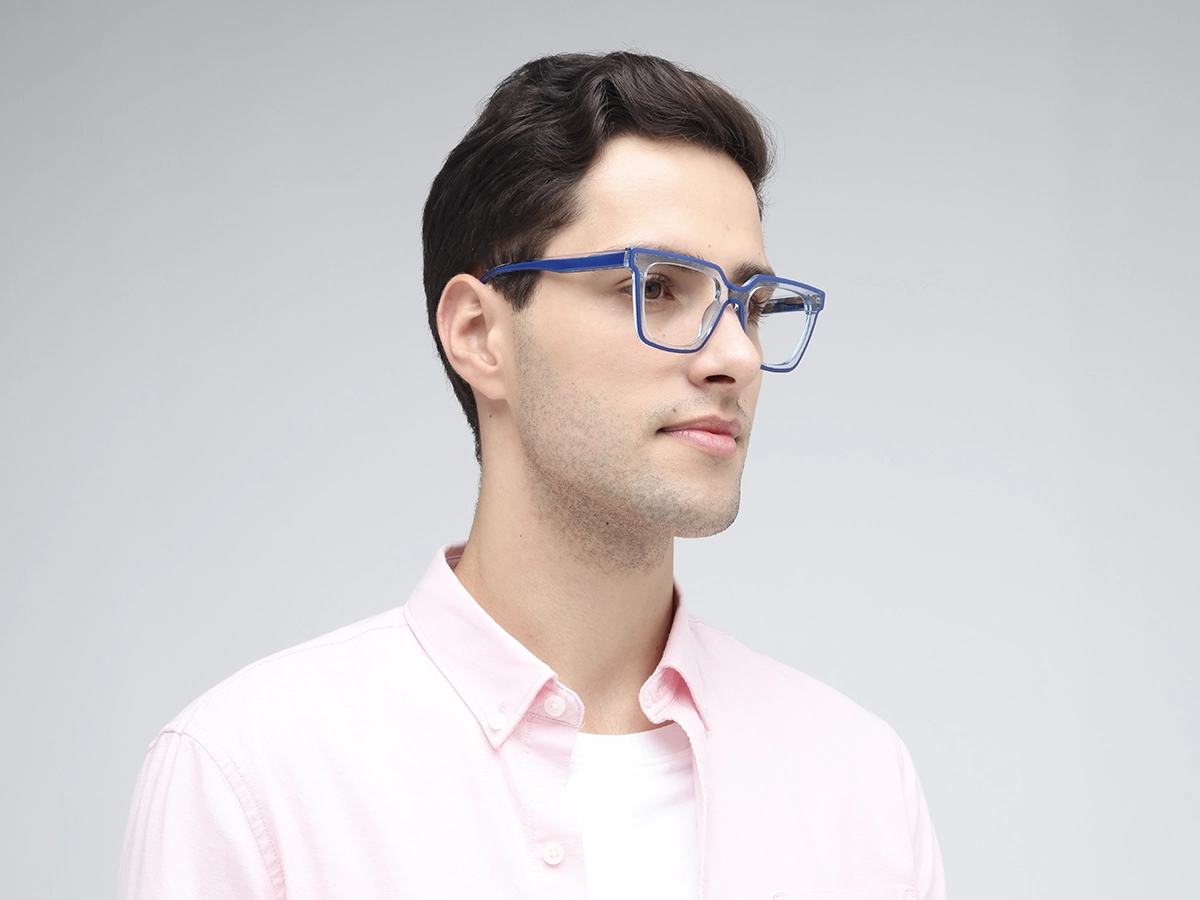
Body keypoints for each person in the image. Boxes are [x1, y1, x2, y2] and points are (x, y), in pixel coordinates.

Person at [118, 51, 947, 899]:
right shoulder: (256, 780)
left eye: (753, 305)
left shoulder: (858, 787)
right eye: (658, 288)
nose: (736, 356)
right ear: (479, 334)